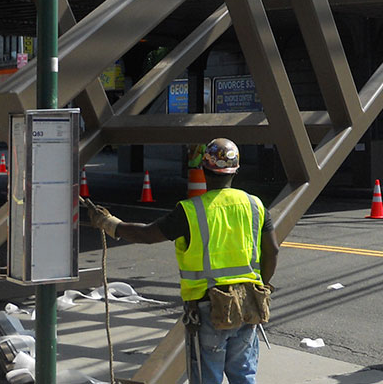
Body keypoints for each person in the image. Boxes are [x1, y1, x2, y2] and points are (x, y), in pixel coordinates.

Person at [85, 138, 279, 384]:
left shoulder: (191, 211)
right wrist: (264, 284)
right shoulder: (255, 205)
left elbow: (147, 234)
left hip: (209, 307)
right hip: (249, 303)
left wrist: (109, 224)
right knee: (243, 376)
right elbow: (272, 250)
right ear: (236, 169)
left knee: (206, 377)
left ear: (204, 170)